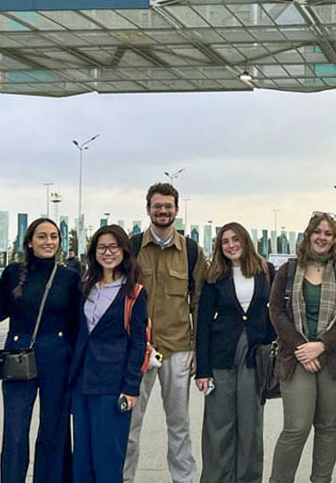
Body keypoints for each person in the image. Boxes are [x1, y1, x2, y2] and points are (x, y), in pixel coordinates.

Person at [123, 183, 207, 483]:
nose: (162, 211)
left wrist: (198, 347)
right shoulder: (130, 248)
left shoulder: (192, 252)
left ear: (176, 210)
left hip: (178, 349)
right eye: (157, 206)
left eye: (168, 206)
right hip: (137, 350)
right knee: (130, 424)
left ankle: (183, 479)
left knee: (179, 425)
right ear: (148, 208)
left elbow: (198, 302)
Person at [269, 212, 336, 483]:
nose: (322, 237)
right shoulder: (289, 270)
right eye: (317, 232)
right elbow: (276, 312)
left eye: (328, 234)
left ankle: (321, 479)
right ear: (308, 235)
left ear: (334, 239)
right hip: (297, 359)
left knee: (329, 428)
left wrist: (321, 346)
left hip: (333, 359)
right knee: (296, 428)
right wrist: (302, 348)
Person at [0, 217, 81, 483]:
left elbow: (76, 324)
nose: (48, 242)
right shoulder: (12, 272)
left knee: (53, 429)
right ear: (30, 242)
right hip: (18, 357)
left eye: (54, 236)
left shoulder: (70, 276)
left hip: (56, 356)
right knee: (15, 430)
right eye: (42, 236)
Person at [194, 222, 275, 483]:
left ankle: (248, 479)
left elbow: (271, 312)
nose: (230, 245)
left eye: (235, 239)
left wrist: (273, 348)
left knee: (251, 425)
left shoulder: (265, 271)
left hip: (254, 357)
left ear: (245, 240)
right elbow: (203, 325)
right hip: (221, 358)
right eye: (225, 241)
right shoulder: (213, 276)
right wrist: (202, 371)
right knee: (219, 426)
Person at [70, 225, 148, 483]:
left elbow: (138, 343)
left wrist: (131, 387)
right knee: (82, 456)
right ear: (94, 252)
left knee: (108, 457)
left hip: (112, 386)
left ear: (124, 251)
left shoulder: (134, 292)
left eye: (114, 247)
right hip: (82, 383)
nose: (108, 252)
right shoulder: (85, 287)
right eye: (102, 247)